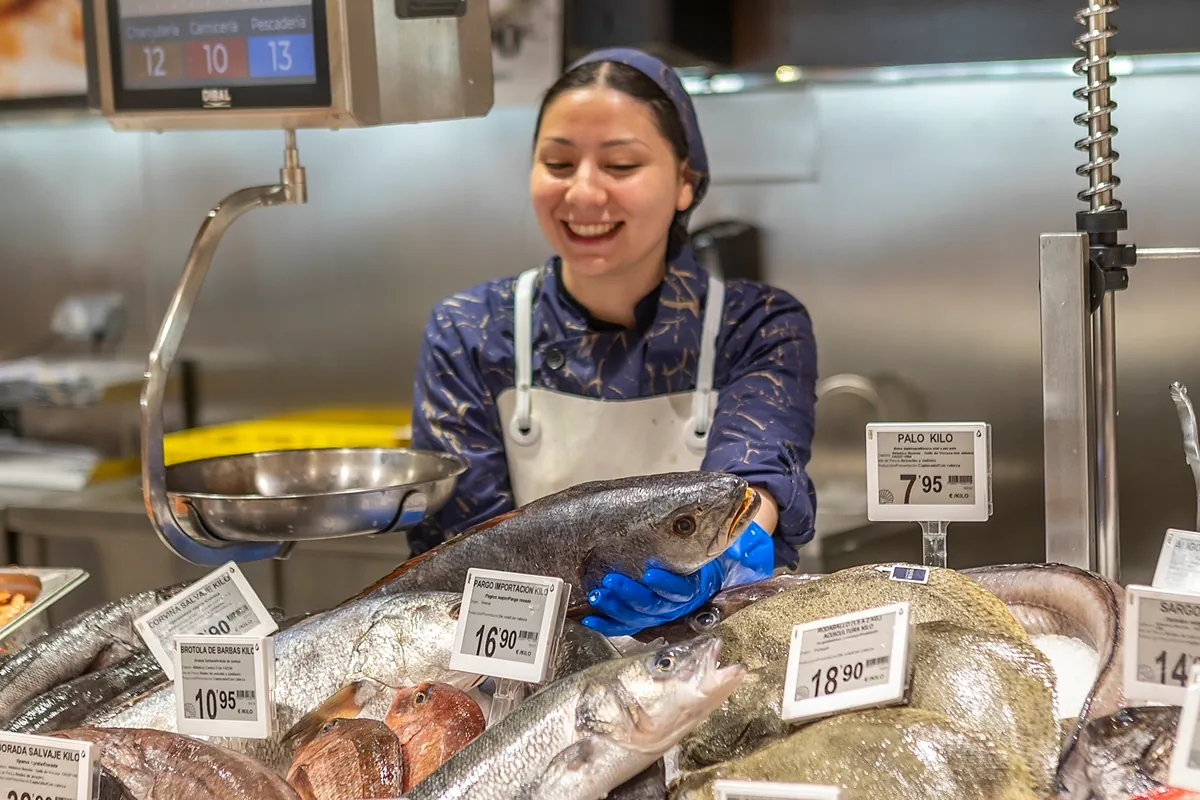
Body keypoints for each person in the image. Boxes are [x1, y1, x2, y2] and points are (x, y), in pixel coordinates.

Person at [410, 47, 818, 636]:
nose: (582, 194)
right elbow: (461, 550)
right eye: (557, 163)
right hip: (521, 668)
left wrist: (731, 551)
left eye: (621, 165)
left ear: (685, 182)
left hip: (708, 657)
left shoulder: (757, 324)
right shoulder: (470, 330)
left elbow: (758, 474)